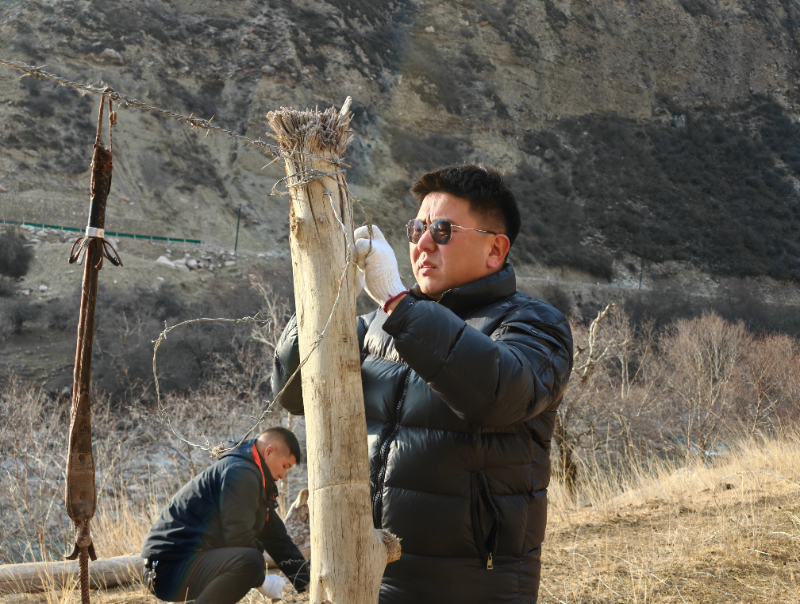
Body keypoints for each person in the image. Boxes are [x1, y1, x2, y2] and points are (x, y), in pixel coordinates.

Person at [272, 164, 573, 604]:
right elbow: (295, 394)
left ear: (495, 249)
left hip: (473, 588)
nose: (423, 243)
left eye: (442, 230)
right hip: (367, 575)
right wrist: (325, 288)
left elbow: (501, 393)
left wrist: (397, 300)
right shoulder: (378, 324)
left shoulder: (535, 324)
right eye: (416, 229)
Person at [140, 426, 309, 604]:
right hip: (167, 569)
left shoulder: (254, 477)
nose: (283, 475)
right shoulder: (240, 473)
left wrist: (306, 582)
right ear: (269, 452)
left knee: (251, 560)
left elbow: (276, 537)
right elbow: (238, 537)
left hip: (180, 564)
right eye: (284, 466)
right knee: (251, 560)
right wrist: (263, 581)